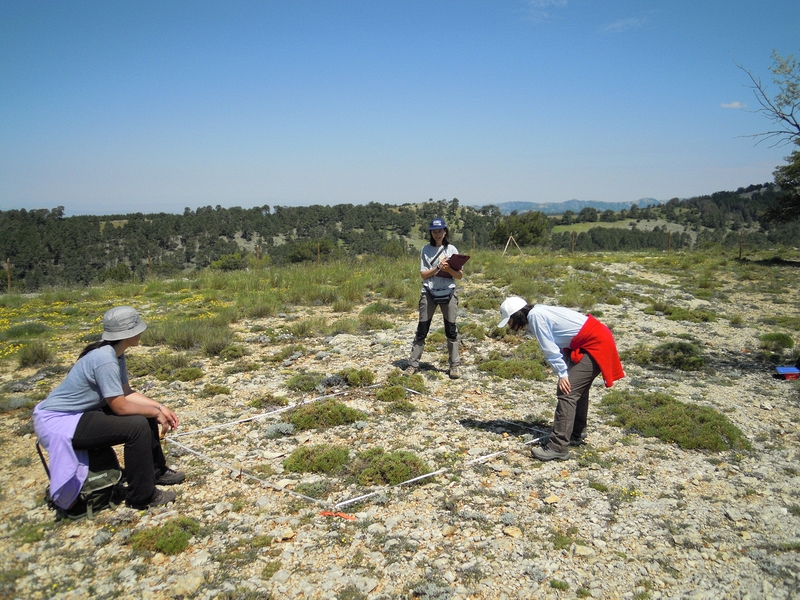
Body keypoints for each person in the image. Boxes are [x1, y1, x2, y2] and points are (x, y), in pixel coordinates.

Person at [33, 306, 185, 510]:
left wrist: (159, 407)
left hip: (80, 413)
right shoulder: (105, 359)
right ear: (127, 333)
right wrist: (155, 413)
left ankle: (156, 471)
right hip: (61, 421)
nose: (141, 332)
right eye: (138, 328)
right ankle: (142, 496)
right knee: (137, 426)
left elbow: (126, 392)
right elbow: (120, 407)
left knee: (144, 415)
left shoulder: (115, 354)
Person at [498, 297, 624, 461]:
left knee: (567, 391)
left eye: (509, 321)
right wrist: (564, 370)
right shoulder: (537, 312)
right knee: (576, 388)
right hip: (591, 340)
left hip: (596, 343)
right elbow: (559, 342)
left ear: (516, 315)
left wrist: (563, 374)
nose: (510, 326)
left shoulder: (536, 317)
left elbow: (549, 348)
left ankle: (558, 447)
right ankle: (576, 431)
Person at [405, 217, 463, 379]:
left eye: (440, 231)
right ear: (431, 233)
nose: (437, 234)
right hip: (428, 292)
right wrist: (438, 267)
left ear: (445, 232)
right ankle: (413, 364)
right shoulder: (425, 249)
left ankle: (454, 366)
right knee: (422, 329)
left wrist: (448, 269)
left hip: (448, 292)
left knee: (451, 330)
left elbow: (459, 275)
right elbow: (424, 275)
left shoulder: (452, 249)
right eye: (434, 231)